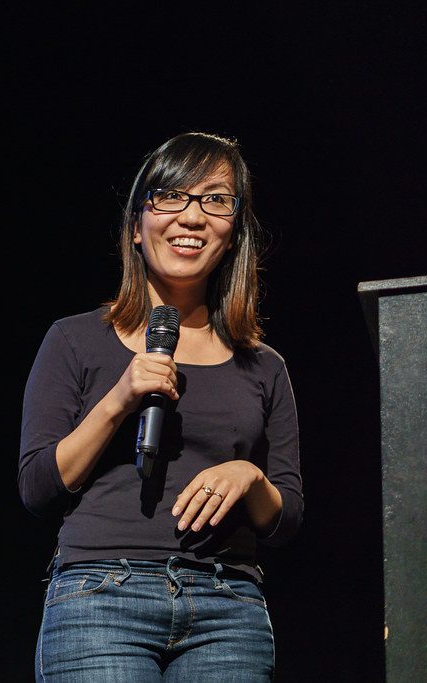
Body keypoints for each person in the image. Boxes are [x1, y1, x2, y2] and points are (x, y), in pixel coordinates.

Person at [18, 132, 303, 681]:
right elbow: (38, 487)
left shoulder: (264, 366)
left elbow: (286, 518)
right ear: (136, 227)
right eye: (170, 196)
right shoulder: (74, 340)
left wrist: (249, 476)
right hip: (100, 598)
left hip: (228, 608)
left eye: (215, 199)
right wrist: (120, 399)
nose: (192, 217)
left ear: (234, 232)